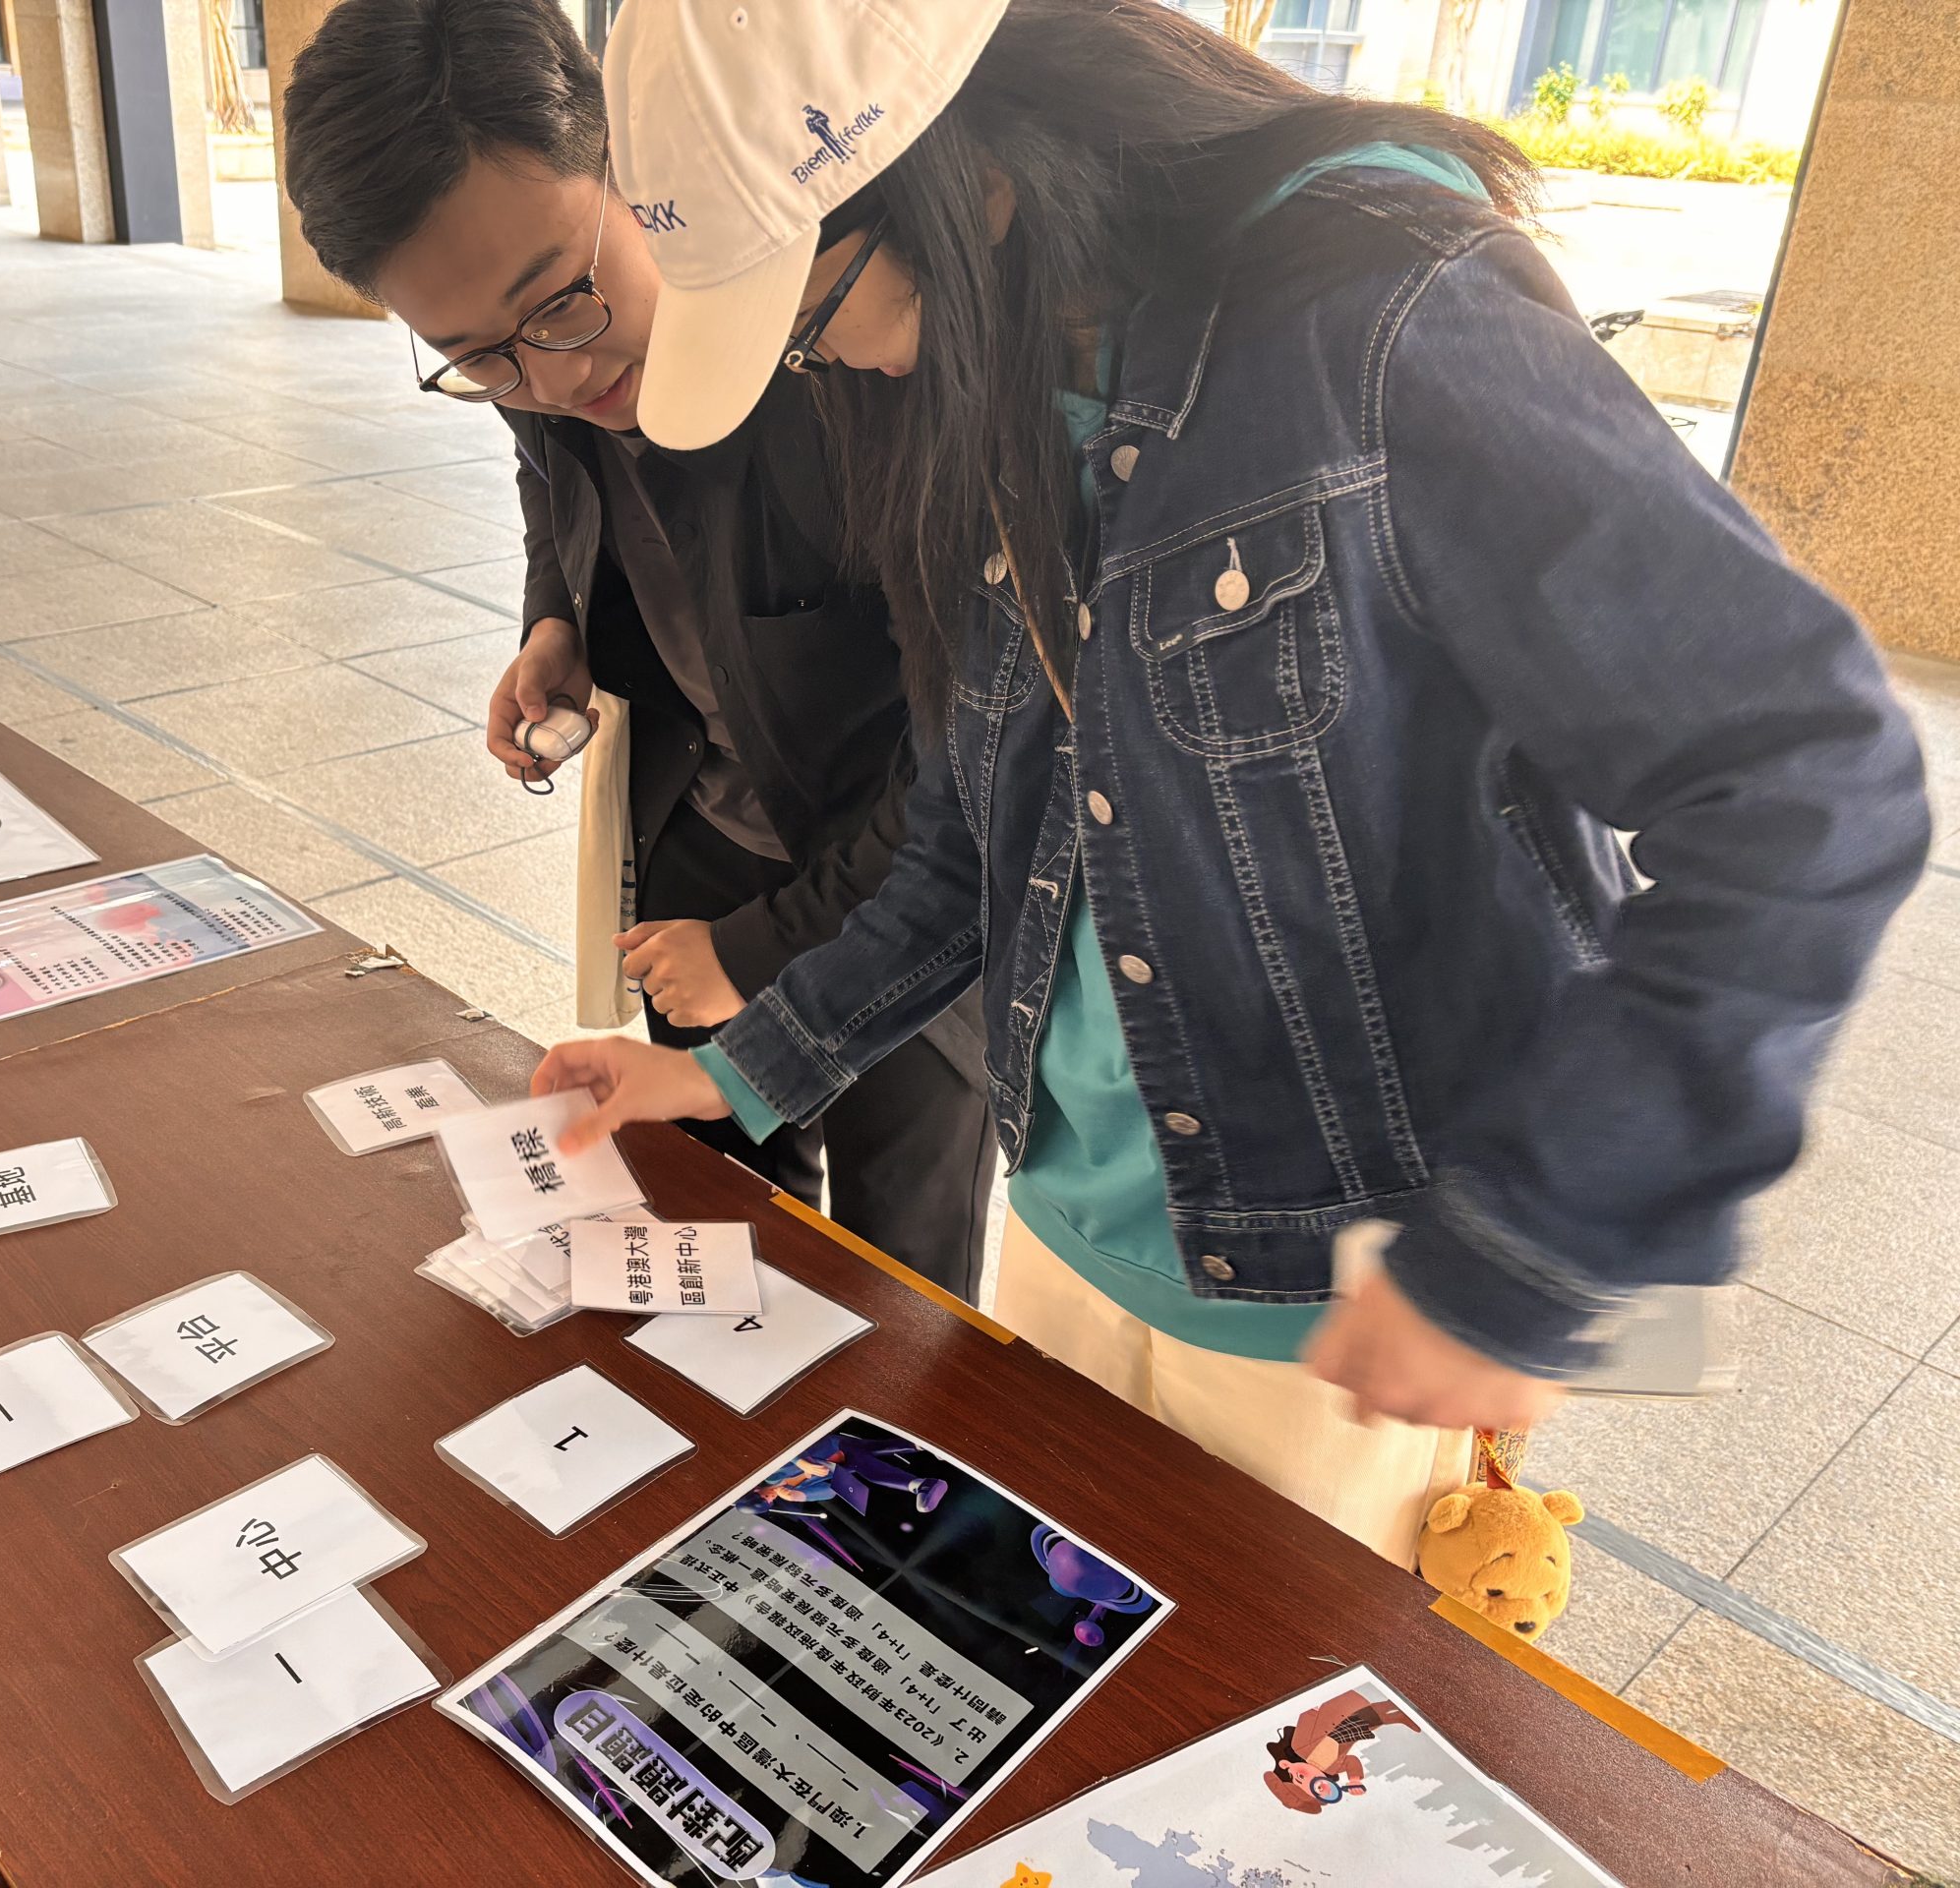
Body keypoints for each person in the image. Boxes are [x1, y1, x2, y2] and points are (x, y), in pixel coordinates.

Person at [533, 0, 1930, 1564]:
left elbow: (1810, 780)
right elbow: (981, 839)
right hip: (1065, 1230)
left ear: (969, 186)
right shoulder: (1009, 383)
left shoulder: (1379, 319)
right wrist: (740, 1070)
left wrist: (1533, 1250)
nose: (833, 363)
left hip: (1348, 1309)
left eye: (814, 311)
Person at [279, 0, 996, 1297]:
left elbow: (977, 777)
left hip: (895, 882)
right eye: (476, 359)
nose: (553, 381)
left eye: (560, 301)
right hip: (701, 839)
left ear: (636, 158)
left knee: (903, 1285)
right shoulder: (537, 354)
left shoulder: (858, 342)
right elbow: (547, 466)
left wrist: (771, 948)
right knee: (708, 1222)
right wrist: (555, 615)